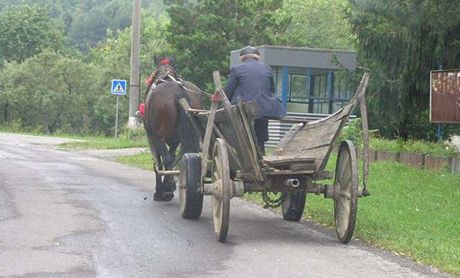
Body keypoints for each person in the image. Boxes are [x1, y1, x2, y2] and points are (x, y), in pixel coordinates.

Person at [224, 46, 286, 154]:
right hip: (263, 109)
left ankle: (240, 152)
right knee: (260, 133)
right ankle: (261, 152)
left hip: (243, 110)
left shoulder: (236, 69)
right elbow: (272, 89)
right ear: (257, 58)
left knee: (237, 129)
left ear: (242, 58)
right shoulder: (267, 68)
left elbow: (227, 92)